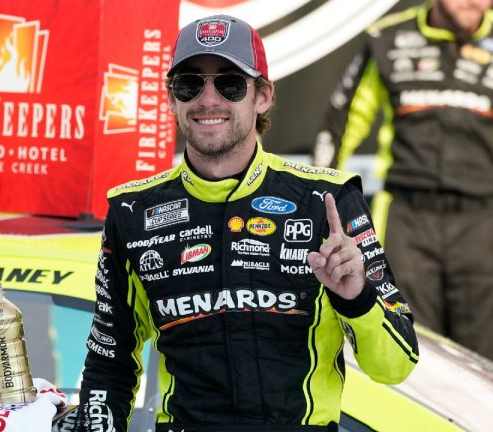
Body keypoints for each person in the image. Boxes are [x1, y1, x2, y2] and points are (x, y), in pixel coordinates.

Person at [75, 14, 419, 432]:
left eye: (230, 83)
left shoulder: (326, 201)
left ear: (263, 97)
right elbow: (108, 367)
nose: (208, 99)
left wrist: (357, 298)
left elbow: (395, 366)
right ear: (171, 98)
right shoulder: (132, 211)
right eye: (189, 83)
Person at [312, 0, 493, 359]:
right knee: (413, 347)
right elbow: (339, 127)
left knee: (484, 357)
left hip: (483, 224)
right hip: (407, 221)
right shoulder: (387, 38)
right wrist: (320, 205)